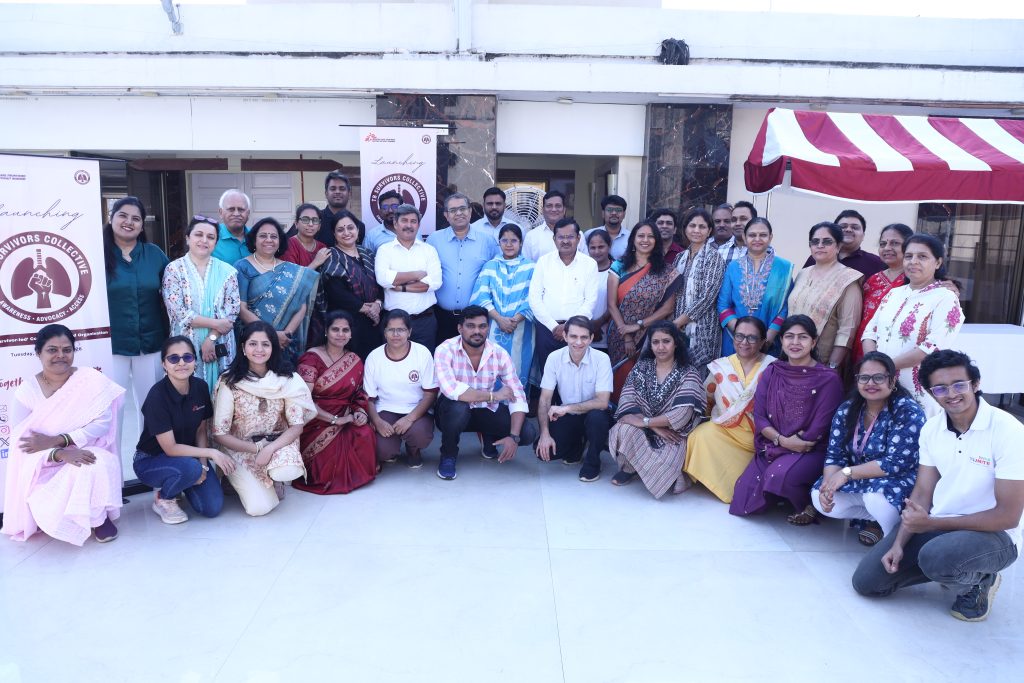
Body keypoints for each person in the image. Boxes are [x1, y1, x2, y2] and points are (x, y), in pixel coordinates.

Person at [852, 350, 1024, 622]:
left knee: (937, 557)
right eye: (941, 388)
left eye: (959, 384)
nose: (951, 394)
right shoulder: (932, 429)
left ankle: (979, 581)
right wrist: (899, 543)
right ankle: (951, 565)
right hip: (941, 526)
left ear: (975, 384)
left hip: (996, 536)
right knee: (868, 581)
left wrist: (930, 524)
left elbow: (1008, 516)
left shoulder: (1009, 432)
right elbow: (922, 493)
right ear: (932, 393)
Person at [2, 325, 125, 545]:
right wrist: (60, 453)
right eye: (52, 350)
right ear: (38, 353)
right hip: (45, 467)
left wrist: (62, 440)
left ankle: (97, 519)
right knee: (71, 473)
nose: (61, 356)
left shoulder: (89, 379)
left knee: (97, 461)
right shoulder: (27, 392)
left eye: (67, 350)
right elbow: (22, 444)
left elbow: (102, 423)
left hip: (85, 451)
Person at [730, 315, 845, 523]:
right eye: (789, 337)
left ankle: (810, 505)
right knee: (742, 502)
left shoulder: (828, 379)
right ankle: (781, 492)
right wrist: (782, 441)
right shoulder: (772, 371)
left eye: (802, 337)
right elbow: (760, 416)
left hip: (810, 449)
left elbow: (820, 426)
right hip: (776, 444)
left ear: (814, 342)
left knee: (778, 477)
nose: (795, 343)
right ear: (781, 341)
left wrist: (796, 443)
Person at [811, 352, 925, 545]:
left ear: (892, 380)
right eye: (864, 378)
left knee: (876, 500)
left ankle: (898, 541)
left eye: (879, 377)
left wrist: (846, 473)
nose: (870, 383)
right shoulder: (848, 409)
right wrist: (829, 484)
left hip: (899, 478)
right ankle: (876, 519)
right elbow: (834, 455)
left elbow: (895, 463)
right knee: (818, 496)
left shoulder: (907, 410)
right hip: (860, 477)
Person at [212, 321, 315, 516]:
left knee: (287, 471)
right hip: (241, 448)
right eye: (253, 344)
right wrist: (256, 449)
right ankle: (237, 478)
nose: (259, 349)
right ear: (243, 348)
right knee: (259, 508)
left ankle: (274, 478)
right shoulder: (230, 381)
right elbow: (220, 434)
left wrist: (269, 449)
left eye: (265, 344)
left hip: (278, 443)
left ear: (273, 348)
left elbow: (296, 426)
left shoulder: (287, 379)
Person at [133, 337, 236, 524]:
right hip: (151, 460)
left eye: (187, 357)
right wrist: (210, 454)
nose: (181, 363)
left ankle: (184, 479)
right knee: (191, 468)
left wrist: (204, 465)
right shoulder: (157, 396)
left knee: (212, 507)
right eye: (173, 359)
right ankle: (164, 497)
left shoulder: (200, 387)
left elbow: (200, 430)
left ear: (194, 361)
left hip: (189, 459)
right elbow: (170, 449)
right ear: (164, 364)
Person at [862, 234, 964, 417]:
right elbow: (870, 331)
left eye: (922, 257)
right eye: (908, 256)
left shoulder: (945, 298)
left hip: (917, 389)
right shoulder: (894, 293)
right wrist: (874, 365)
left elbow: (932, 348)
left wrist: (883, 368)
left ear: (938, 262)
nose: (913, 262)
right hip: (879, 384)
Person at [433, 306, 538, 481]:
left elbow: (517, 393)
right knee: (459, 408)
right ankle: (448, 455)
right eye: (470, 326)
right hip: (451, 412)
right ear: (460, 328)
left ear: (488, 327)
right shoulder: (445, 350)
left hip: (484, 410)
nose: (477, 331)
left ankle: (488, 436)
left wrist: (513, 436)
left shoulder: (499, 353)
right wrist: (494, 396)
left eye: (482, 326)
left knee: (526, 432)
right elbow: (452, 390)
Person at [684, 317, 776, 503]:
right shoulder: (721, 366)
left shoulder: (773, 368)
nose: (744, 342)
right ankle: (712, 479)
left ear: (763, 341)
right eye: (739, 336)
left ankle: (733, 482)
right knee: (699, 435)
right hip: (726, 430)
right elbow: (707, 400)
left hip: (758, 436)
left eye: (751, 338)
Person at [607, 322, 704, 498]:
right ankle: (630, 468)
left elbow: (683, 414)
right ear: (650, 345)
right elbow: (627, 401)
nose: (660, 347)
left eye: (666, 341)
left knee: (665, 471)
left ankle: (646, 468)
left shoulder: (689, 372)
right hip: (643, 429)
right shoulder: (641, 367)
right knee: (623, 429)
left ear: (676, 343)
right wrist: (650, 425)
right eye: (655, 342)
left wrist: (646, 422)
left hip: (671, 434)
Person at [103, 196, 169, 442]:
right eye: (123, 216)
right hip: (112, 346)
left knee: (152, 410)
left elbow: (172, 295)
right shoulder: (96, 254)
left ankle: (152, 472)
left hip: (151, 343)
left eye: (136, 218)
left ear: (142, 225)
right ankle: (113, 477)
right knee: (111, 412)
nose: (128, 222)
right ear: (111, 219)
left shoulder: (154, 255)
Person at [292, 311, 378, 495]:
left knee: (363, 432)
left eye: (345, 330)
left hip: (346, 413)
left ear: (351, 333)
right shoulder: (311, 358)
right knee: (328, 461)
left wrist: (360, 412)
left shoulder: (354, 360)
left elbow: (359, 393)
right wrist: (334, 419)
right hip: (315, 417)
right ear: (326, 331)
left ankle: (360, 473)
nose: (340, 334)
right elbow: (303, 400)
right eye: (335, 329)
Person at [163, 216, 241, 392]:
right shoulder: (174, 270)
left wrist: (211, 339)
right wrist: (215, 324)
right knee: (187, 396)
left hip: (221, 345)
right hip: (186, 344)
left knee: (222, 394)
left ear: (216, 242)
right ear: (188, 238)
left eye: (210, 237)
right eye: (198, 234)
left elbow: (231, 312)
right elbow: (179, 312)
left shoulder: (228, 272)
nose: (204, 240)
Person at [536, 316, 613, 483]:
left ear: (592, 338)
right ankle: (577, 445)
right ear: (565, 336)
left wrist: (567, 408)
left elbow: (602, 401)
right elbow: (544, 400)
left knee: (597, 418)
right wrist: (544, 433)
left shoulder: (601, 359)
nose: (578, 342)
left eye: (584, 337)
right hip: (568, 416)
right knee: (544, 453)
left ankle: (593, 460)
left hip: (594, 414)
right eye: (573, 336)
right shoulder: (554, 358)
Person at [235, 217, 320, 366]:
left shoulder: (290, 268)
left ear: (280, 241)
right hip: (253, 341)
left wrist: (286, 335)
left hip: (285, 343)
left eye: (274, 236)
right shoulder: (242, 267)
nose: (269, 240)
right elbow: (241, 309)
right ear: (254, 240)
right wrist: (272, 335)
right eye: (263, 236)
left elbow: (301, 307)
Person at [606, 221, 679, 393]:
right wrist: (627, 335)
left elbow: (667, 309)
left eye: (650, 236)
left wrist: (638, 326)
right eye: (641, 236)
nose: (645, 240)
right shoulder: (618, 266)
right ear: (633, 240)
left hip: (650, 336)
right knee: (619, 377)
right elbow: (611, 304)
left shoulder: (666, 271)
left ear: (656, 241)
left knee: (645, 380)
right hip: (618, 333)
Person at [527, 218, 600, 385]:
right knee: (548, 376)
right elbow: (534, 298)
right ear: (554, 239)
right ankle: (549, 409)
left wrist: (569, 327)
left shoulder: (589, 264)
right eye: (561, 237)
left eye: (570, 237)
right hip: (547, 329)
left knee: (575, 376)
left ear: (578, 238)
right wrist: (554, 326)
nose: (565, 241)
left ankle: (571, 411)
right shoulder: (543, 262)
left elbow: (590, 301)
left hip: (578, 331)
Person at [364, 309, 439, 468]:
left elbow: (430, 394)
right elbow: (368, 398)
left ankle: (413, 449)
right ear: (384, 332)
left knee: (420, 435)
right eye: (391, 329)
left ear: (409, 332)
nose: (396, 334)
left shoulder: (422, 353)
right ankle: (392, 449)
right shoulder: (374, 357)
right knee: (382, 451)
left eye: (401, 329)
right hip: (386, 409)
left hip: (416, 409)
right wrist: (377, 421)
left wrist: (409, 418)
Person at [787, 222, 863, 369]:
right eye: (815, 242)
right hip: (792, 356)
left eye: (827, 241)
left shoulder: (848, 279)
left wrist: (832, 367)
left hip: (823, 362)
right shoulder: (803, 273)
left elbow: (847, 329)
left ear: (838, 246)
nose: (820, 245)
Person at [470, 224, 536, 390]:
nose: (509, 244)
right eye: (504, 240)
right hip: (494, 327)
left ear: (521, 243)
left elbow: (535, 297)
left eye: (513, 240)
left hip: (522, 329)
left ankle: (517, 409)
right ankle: (493, 410)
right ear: (499, 243)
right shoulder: (490, 266)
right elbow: (481, 295)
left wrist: (515, 319)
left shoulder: (531, 267)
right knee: (492, 368)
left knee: (519, 367)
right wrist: (500, 319)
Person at [428, 192, 500, 344]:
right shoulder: (434, 240)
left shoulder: (487, 241)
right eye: (453, 210)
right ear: (446, 215)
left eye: (463, 208)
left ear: (470, 211)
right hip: (442, 317)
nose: (459, 213)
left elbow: (497, 276)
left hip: (476, 319)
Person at [717, 217, 794, 356]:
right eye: (752, 235)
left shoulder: (783, 268)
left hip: (769, 342)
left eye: (763, 235)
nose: (757, 239)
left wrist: (767, 338)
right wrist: (742, 335)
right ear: (744, 238)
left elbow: (785, 308)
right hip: (734, 339)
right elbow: (723, 305)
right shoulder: (733, 267)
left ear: (770, 237)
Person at [374, 204, 443, 349]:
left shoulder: (429, 250)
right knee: (393, 364)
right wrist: (417, 274)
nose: (409, 225)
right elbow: (383, 279)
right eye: (404, 220)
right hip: (394, 323)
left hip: (425, 322)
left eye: (413, 221)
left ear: (418, 225)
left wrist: (401, 287)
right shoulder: (384, 250)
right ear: (395, 223)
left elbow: (435, 283)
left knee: (424, 365)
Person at [321, 209, 384, 360]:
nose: (346, 232)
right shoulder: (331, 256)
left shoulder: (368, 254)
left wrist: (377, 304)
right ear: (334, 234)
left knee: (373, 361)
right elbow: (336, 292)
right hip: (347, 323)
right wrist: (366, 309)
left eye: (350, 227)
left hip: (374, 321)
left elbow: (381, 282)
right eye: (340, 229)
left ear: (357, 229)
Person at [671, 208, 727, 375]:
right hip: (678, 329)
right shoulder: (679, 257)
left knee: (698, 378)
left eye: (702, 227)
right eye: (692, 225)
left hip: (703, 329)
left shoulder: (714, 258)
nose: (696, 230)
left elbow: (706, 297)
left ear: (709, 230)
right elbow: (673, 292)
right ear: (685, 228)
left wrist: (678, 322)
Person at [852, 223, 914, 364]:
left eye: (895, 243)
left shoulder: (915, 281)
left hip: (896, 353)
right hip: (863, 348)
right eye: (883, 243)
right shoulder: (873, 280)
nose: (887, 248)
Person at [802, 209, 885, 278]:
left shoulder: (876, 263)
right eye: (843, 227)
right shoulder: (817, 258)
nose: (848, 230)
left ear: (863, 236)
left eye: (855, 227)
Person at [585, 229, 614, 351]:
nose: (596, 251)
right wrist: (589, 326)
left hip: (610, 334)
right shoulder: (582, 270)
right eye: (593, 247)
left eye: (601, 247)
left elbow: (618, 301)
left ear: (609, 246)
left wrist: (598, 323)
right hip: (583, 333)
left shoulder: (617, 270)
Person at [282, 202, 331, 270]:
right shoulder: (289, 245)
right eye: (305, 219)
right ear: (296, 224)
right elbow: (292, 278)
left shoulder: (322, 247)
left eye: (315, 220)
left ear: (319, 226)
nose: (310, 224)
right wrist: (315, 263)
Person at [522, 190, 566, 262]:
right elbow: (526, 267)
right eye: (549, 206)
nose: (554, 209)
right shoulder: (531, 236)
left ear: (564, 210)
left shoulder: (577, 235)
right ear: (543, 210)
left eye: (558, 206)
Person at [581, 195, 629, 260]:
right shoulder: (589, 234)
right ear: (603, 213)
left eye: (618, 210)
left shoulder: (631, 237)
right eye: (609, 210)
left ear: (624, 214)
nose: (614, 213)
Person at [211, 189, 252, 266]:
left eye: (241, 209)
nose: (236, 214)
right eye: (231, 209)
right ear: (221, 212)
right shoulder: (210, 237)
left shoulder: (257, 236)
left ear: (248, 213)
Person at [316, 170, 352, 245]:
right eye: (333, 189)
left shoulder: (358, 225)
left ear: (349, 193)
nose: (337, 192)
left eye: (342, 189)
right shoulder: (314, 221)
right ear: (326, 193)